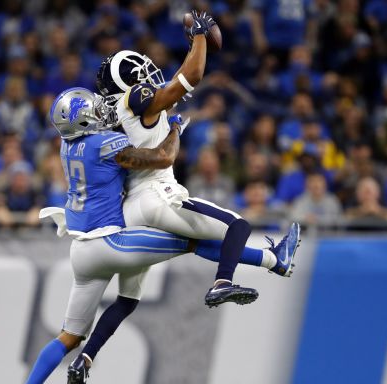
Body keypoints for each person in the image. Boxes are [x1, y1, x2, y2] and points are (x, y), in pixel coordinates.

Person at [7, 88, 300, 384]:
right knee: (194, 240)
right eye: (94, 110)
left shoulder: (67, 146)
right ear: (84, 120)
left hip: (80, 253)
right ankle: (272, 261)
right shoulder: (105, 144)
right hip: (112, 242)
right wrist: (173, 127)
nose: (102, 112)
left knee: (72, 334)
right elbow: (161, 158)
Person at [96, 11, 298, 308]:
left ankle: (273, 260)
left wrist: (193, 48)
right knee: (237, 227)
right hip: (156, 195)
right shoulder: (135, 98)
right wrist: (200, 36)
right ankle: (223, 282)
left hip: (130, 208)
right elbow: (188, 79)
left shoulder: (114, 115)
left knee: (197, 245)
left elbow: (175, 87)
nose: (148, 77)